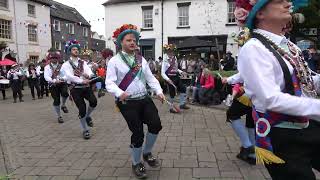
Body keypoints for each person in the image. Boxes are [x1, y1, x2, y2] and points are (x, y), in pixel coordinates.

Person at [235, 0, 320, 179]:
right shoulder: (253, 48)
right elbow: (270, 98)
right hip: (283, 137)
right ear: (260, 13)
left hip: (310, 126)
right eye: (279, 0)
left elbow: (306, 80)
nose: (288, 3)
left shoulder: (289, 46)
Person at [105, 24, 165, 179]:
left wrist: (159, 91)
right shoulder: (114, 61)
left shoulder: (141, 59)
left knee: (156, 125)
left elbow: (151, 78)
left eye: (134, 39)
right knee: (138, 132)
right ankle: (136, 162)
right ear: (120, 42)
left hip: (144, 99)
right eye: (128, 40)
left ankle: (147, 152)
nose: (132, 42)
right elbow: (109, 83)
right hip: (127, 103)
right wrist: (119, 92)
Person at [61, 40, 97, 140]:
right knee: (82, 109)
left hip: (85, 87)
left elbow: (89, 71)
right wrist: (81, 81)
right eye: (73, 49)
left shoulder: (83, 62)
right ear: (69, 51)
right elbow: (69, 76)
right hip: (75, 89)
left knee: (94, 102)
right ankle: (85, 130)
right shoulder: (66, 65)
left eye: (77, 49)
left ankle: (88, 116)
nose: (76, 51)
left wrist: (89, 75)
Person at [222, 73, 255, 165]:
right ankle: (252, 156)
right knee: (251, 122)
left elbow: (245, 72)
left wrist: (228, 79)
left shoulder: (255, 59)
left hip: (248, 95)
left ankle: (247, 145)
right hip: (262, 98)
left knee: (232, 114)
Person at [161, 44, 190, 113]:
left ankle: (182, 104)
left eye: (172, 52)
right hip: (170, 78)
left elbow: (175, 68)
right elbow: (162, 73)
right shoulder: (165, 61)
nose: (171, 53)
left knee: (183, 88)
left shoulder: (175, 58)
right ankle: (171, 108)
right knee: (172, 93)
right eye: (169, 52)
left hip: (176, 77)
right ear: (167, 52)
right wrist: (168, 80)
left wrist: (181, 72)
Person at [44, 50, 69, 123]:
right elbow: (46, 77)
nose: (54, 59)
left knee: (65, 93)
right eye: (52, 58)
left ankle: (63, 105)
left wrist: (62, 79)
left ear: (58, 58)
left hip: (62, 83)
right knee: (56, 101)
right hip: (53, 85)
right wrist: (54, 81)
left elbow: (66, 75)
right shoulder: (47, 67)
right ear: (50, 59)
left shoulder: (62, 66)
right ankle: (59, 116)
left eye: (55, 58)